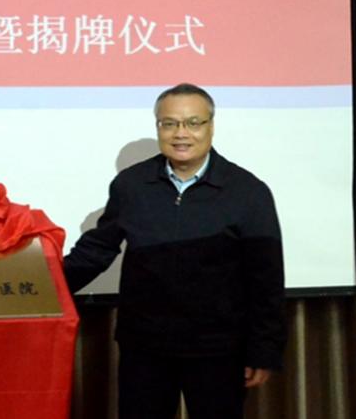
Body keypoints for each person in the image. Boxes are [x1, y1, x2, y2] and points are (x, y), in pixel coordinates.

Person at [63, 83, 286, 419]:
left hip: (218, 349)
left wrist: (264, 350)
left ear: (211, 126)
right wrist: (45, 287)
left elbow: (266, 278)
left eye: (193, 123)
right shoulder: (131, 184)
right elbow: (97, 250)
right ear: (158, 127)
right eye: (169, 124)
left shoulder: (248, 191)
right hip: (145, 346)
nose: (181, 133)